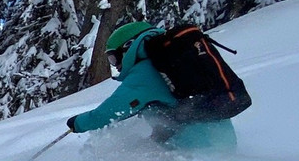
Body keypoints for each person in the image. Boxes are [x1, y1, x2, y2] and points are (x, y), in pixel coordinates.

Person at [65, 21, 238, 150]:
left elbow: (110, 112)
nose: (115, 65)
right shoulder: (166, 62)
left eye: (114, 58)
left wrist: (78, 123)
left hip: (197, 148)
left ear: (128, 47)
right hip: (218, 142)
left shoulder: (145, 72)